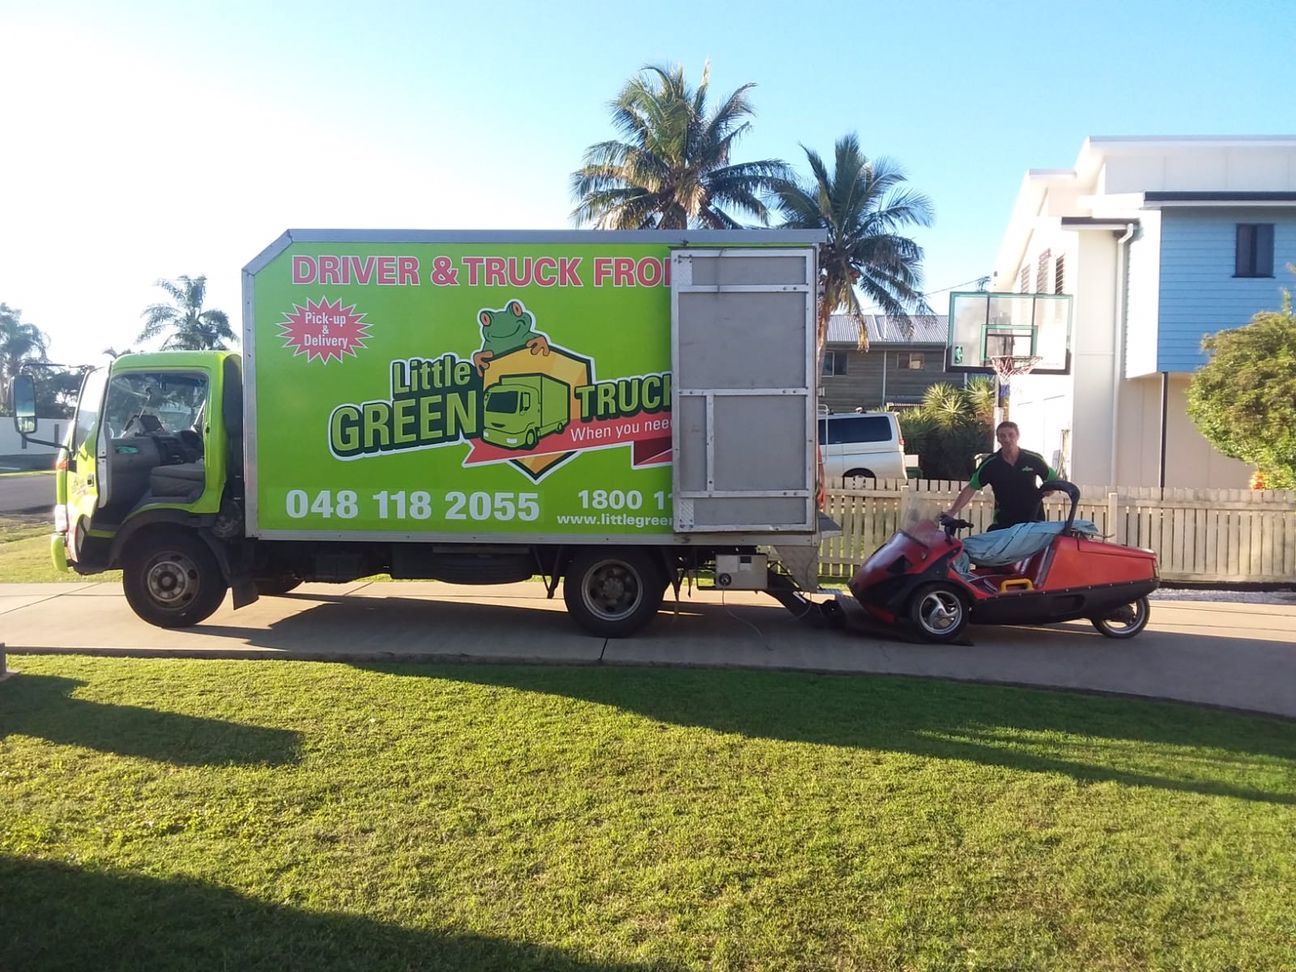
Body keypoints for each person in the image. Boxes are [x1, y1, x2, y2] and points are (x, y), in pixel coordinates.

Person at [944, 421, 1058, 530]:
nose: (1007, 439)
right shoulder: (991, 464)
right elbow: (971, 487)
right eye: (1002, 436)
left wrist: (1050, 489)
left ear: (1017, 436)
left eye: (1011, 435)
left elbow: (1054, 480)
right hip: (1004, 522)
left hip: (1033, 521)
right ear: (998, 438)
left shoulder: (1033, 459)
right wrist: (952, 512)